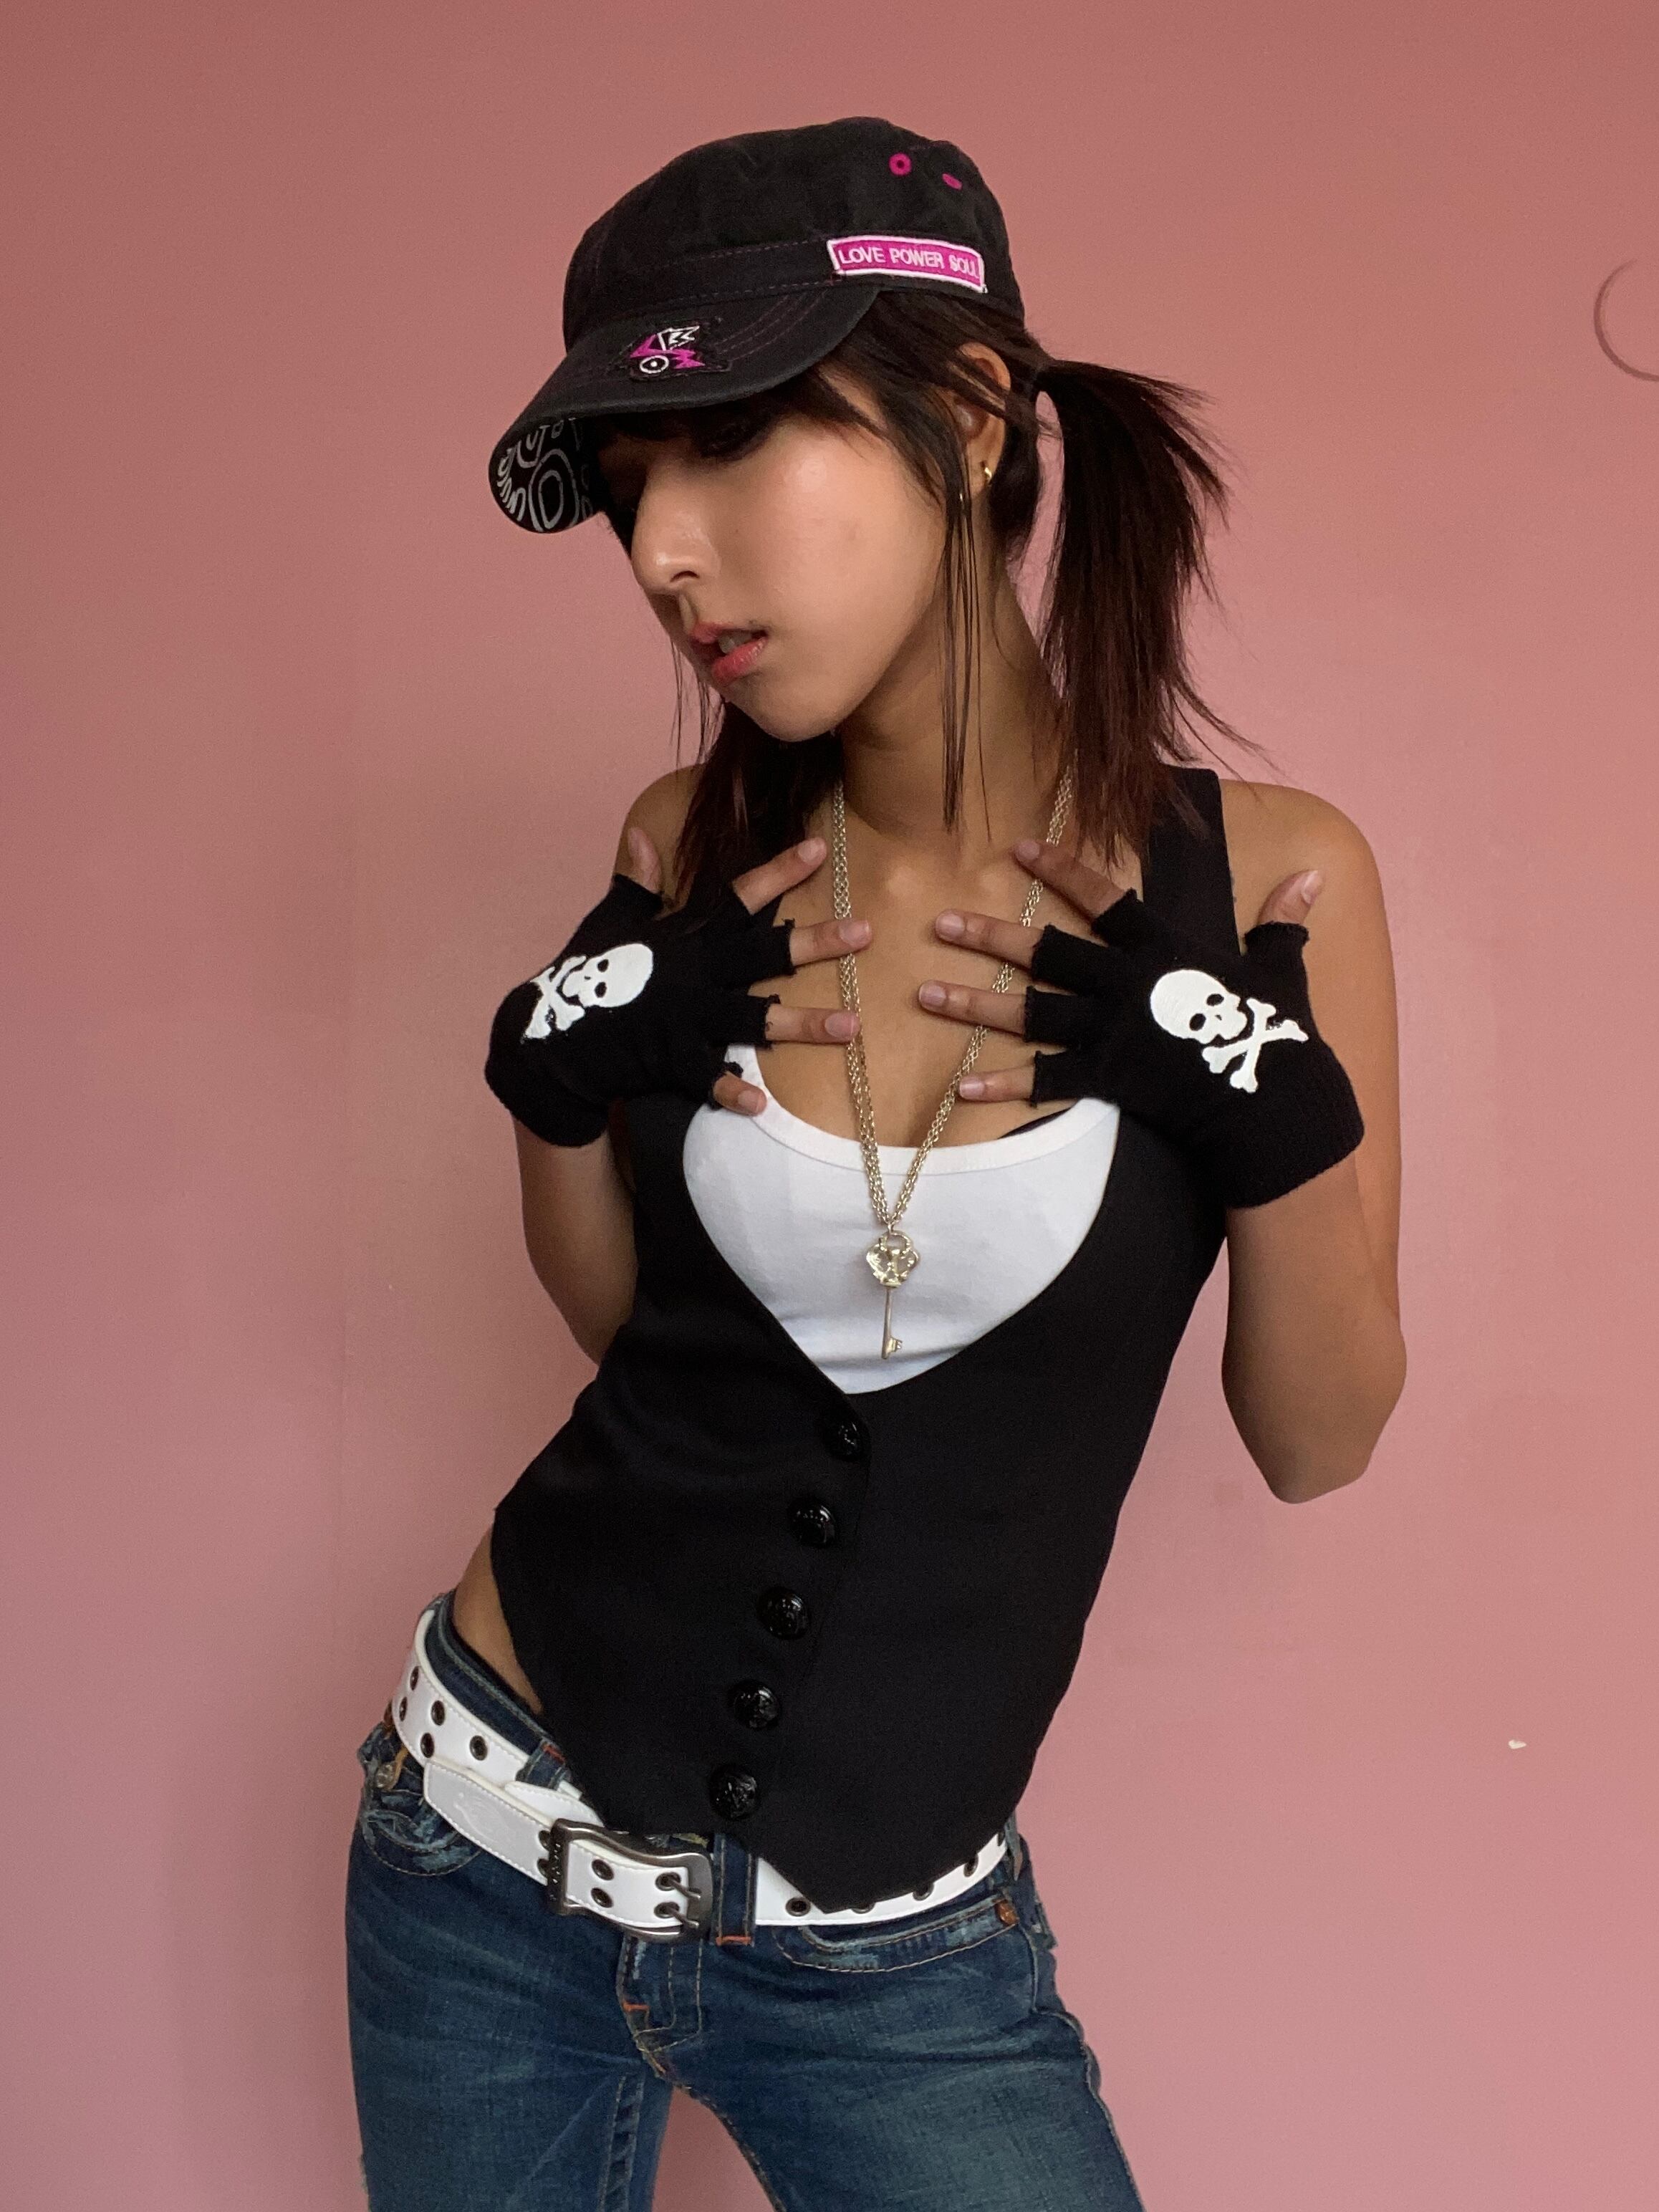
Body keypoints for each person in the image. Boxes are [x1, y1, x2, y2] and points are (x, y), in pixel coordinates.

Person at [344, 115, 1405, 2212]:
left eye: (730, 445)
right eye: (628, 490)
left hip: (891, 1963)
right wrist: (559, 1098)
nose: (662, 553)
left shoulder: (1273, 884)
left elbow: (1319, 1440)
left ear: (974, 414)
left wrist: (1253, 1106)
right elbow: (630, 1335)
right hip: (472, 1850)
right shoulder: (686, 847)